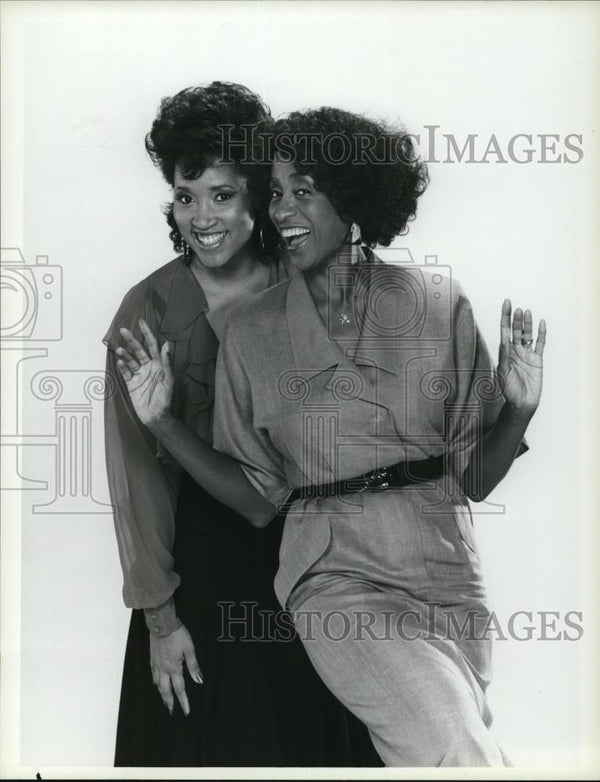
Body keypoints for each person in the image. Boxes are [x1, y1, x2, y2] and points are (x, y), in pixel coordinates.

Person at [208, 108, 546, 766]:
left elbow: (475, 477)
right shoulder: (249, 332)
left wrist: (520, 410)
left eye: (303, 190)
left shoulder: (439, 303)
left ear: (355, 197)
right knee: (452, 745)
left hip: (448, 568)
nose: (282, 209)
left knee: (458, 746)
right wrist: (162, 421)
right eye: (274, 193)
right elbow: (254, 492)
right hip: (338, 573)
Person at [103, 84, 381, 767]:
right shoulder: (146, 311)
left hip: (321, 559)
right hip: (204, 572)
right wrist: (161, 622)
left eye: (222, 195)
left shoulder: (317, 285)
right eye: (186, 195)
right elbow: (136, 484)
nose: (202, 217)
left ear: (256, 196)